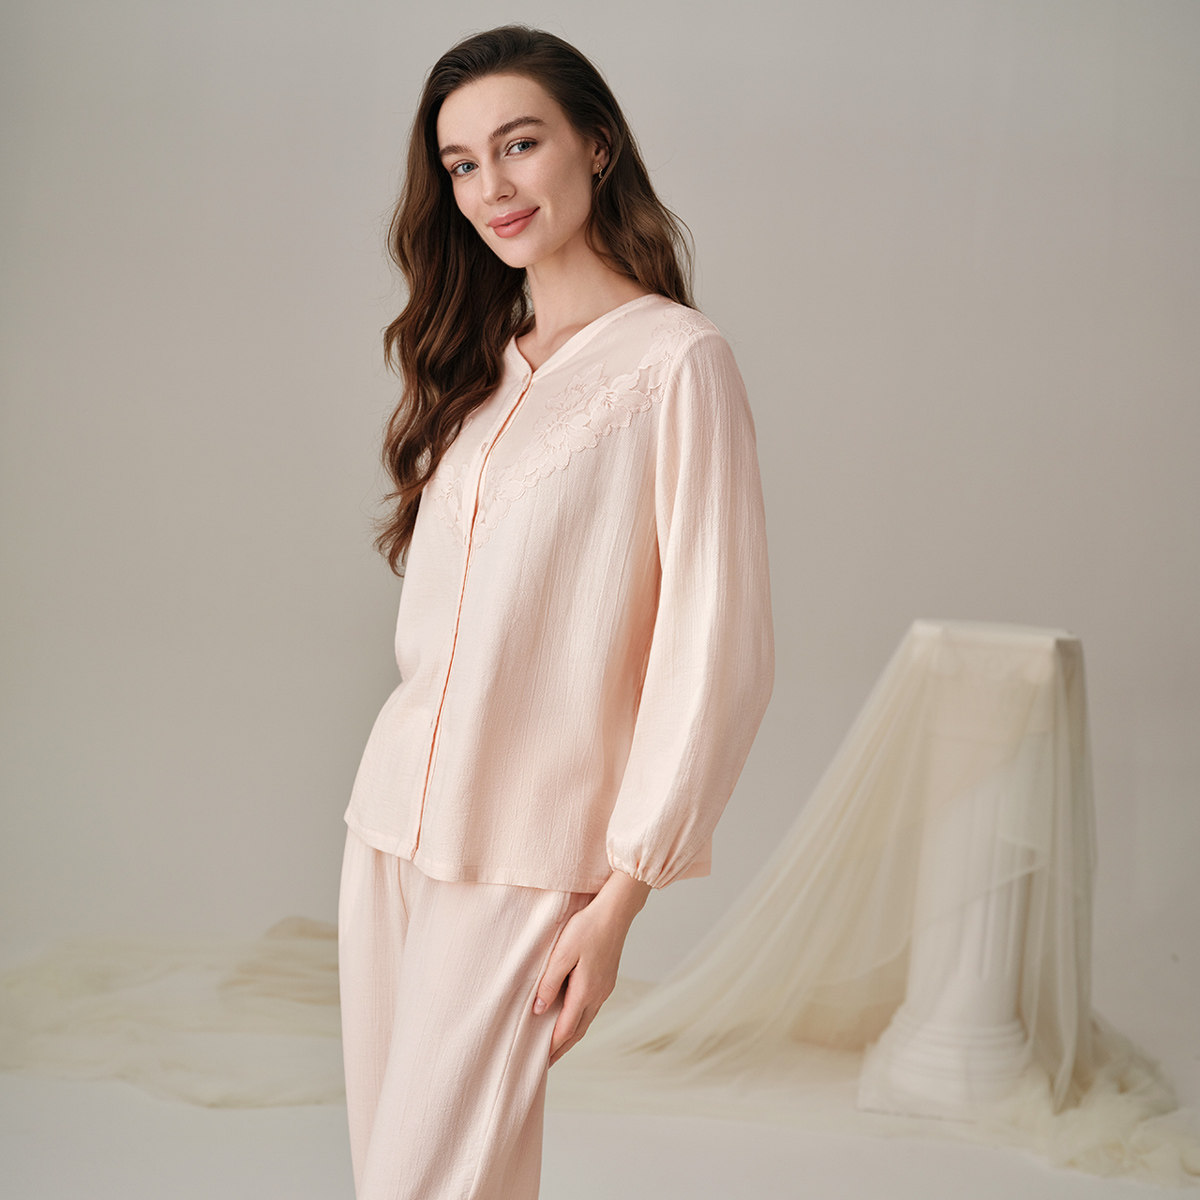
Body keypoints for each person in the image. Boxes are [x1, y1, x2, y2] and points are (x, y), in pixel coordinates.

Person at [337, 24, 775, 1200]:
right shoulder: (479, 365)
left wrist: (618, 900)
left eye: (519, 144)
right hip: (386, 831)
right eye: (461, 164)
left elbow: (714, 649)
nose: (492, 185)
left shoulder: (678, 364)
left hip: (528, 857)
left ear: (597, 145)